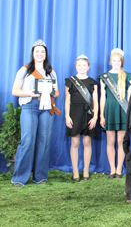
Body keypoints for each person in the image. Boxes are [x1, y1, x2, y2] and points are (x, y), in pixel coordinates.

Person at [11, 39, 60, 186]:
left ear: (46, 55)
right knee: (27, 140)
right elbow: (15, 90)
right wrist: (30, 93)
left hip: (46, 108)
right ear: (33, 54)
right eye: (37, 51)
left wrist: (52, 91)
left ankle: (40, 176)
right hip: (30, 106)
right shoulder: (24, 70)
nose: (40, 54)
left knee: (44, 141)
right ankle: (19, 178)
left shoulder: (51, 72)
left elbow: (56, 94)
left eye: (42, 51)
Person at [99, 48, 131, 178]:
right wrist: (101, 115)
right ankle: (112, 169)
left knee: (121, 141)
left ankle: (119, 169)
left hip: (123, 111)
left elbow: (130, 98)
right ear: (110, 62)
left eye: (118, 60)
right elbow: (102, 97)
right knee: (110, 141)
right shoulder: (104, 77)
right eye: (114, 60)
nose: (116, 62)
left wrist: (130, 115)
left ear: (122, 61)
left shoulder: (128, 77)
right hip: (110, 110)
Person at [65, 55, 98, 181]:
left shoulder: (92, 82)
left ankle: (85, 171)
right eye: (79, 65)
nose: (82, 67)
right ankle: (75, 172)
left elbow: (95, 101)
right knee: (75, 142)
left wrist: (95, 117)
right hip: (74, 114)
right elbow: (67, 100)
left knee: (87, 142)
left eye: (84, 65)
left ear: (88, 67)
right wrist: (67, 116)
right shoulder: (70, 81)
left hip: (88, 114)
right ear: (76, 66)